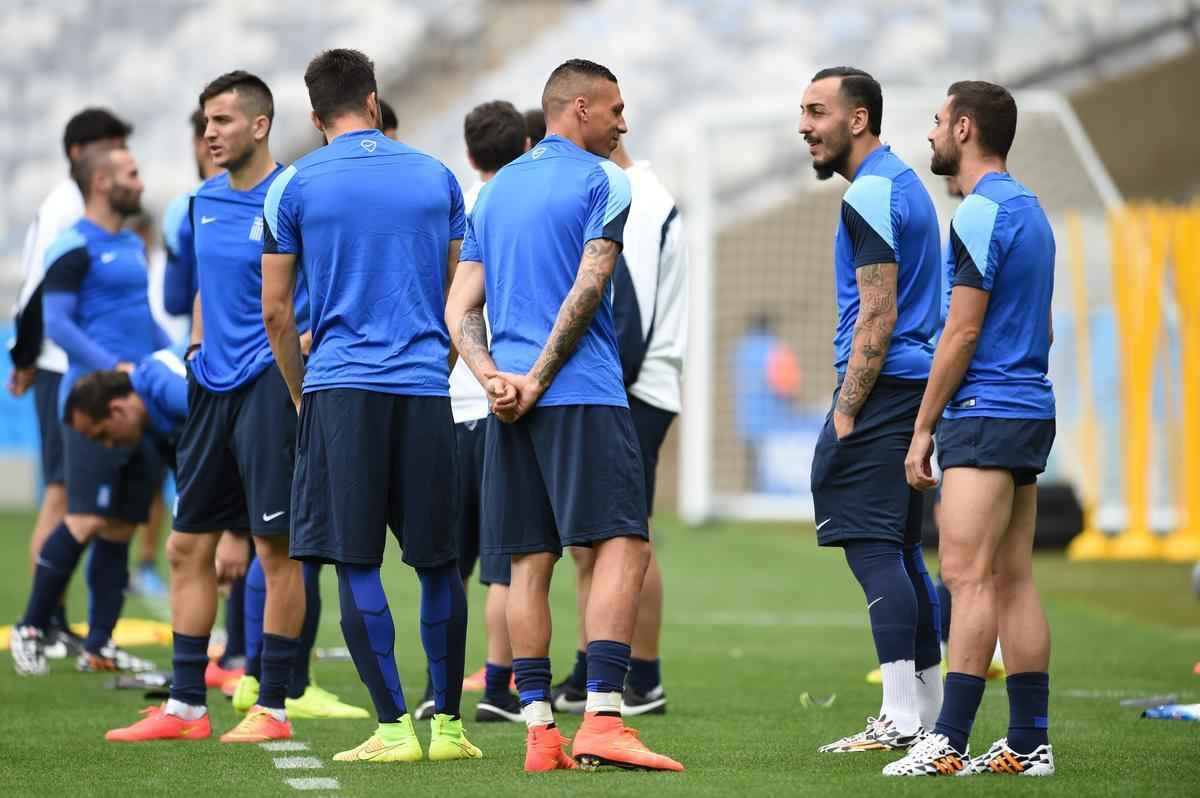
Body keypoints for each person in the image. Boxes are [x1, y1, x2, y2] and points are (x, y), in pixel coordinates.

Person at [447, 58, 683, 773]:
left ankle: (540, 732)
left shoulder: (493, 192)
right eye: (614, 108)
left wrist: (494, 379)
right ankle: (607, 715)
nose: (623, 122)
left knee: (527, 562)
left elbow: (458, 307)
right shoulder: (605, 180)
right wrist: (540, 377)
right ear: (577, 108)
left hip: (509, 406)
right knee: (624, 545)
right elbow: (591, 285)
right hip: (579, 391)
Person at [262, 47, 479, 763]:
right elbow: (458, 297)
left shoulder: (291, 185)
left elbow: (276, 312)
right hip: (422, 389)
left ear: (315, 115)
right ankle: (448, 728)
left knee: (355, 561)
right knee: (437, 562)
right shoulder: (437, 176)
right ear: (377, 101)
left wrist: (302, 393)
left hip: (340, 390)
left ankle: (393, 729)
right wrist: (434, 364)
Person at [886, 81, 1057, 778]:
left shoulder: (981, 212)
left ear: (964, 128)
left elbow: (960, 330)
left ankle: (948, 742)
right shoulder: (1031, 210)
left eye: (935, 122)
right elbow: (1040, 325)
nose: (929, 135)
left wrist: (923, 428)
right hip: (1028, 409)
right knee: (1012, 577)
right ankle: (1028, 742)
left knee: (964, 576)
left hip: (984, 413)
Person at [798, 66, 943, 752]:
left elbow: (877, 314)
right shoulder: (902, 183)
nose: (804, 126)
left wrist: (847, 410)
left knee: (874, 550)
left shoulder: (872, 195)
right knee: (904, 550)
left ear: (857, 119)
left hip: (882, 390)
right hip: (910, 385)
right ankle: (929, 714)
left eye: (817, 111)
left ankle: (901, 718)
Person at [10, 145, 167, 676]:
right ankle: (30, 628)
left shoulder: (129, 244)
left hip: (138, 404)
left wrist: (175, 353)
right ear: (101, 182)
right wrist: (117, 368)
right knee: (83, 518)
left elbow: (142, 318)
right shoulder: (73, 244)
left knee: (121, 527)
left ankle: (99, 644)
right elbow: (57, 323)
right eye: (131, 172)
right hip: (96, 408)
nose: (140, 182)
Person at [554, 136, 687, 717]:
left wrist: (612, 383)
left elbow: (636, 307)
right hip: (626, 384)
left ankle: (644, 678)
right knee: (594, 542)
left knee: (627, 536)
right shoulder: (625, 189)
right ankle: (591, 671)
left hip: (633, 387)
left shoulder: (638, 196)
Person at [415, 99, 529, 725]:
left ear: (469, 152)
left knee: (447, 562)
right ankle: (499, 689)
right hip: (498, 398)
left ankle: (441, 688)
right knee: (504, 562)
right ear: (526, 147)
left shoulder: (454, 209)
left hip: (445, 399)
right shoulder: (521, 209)